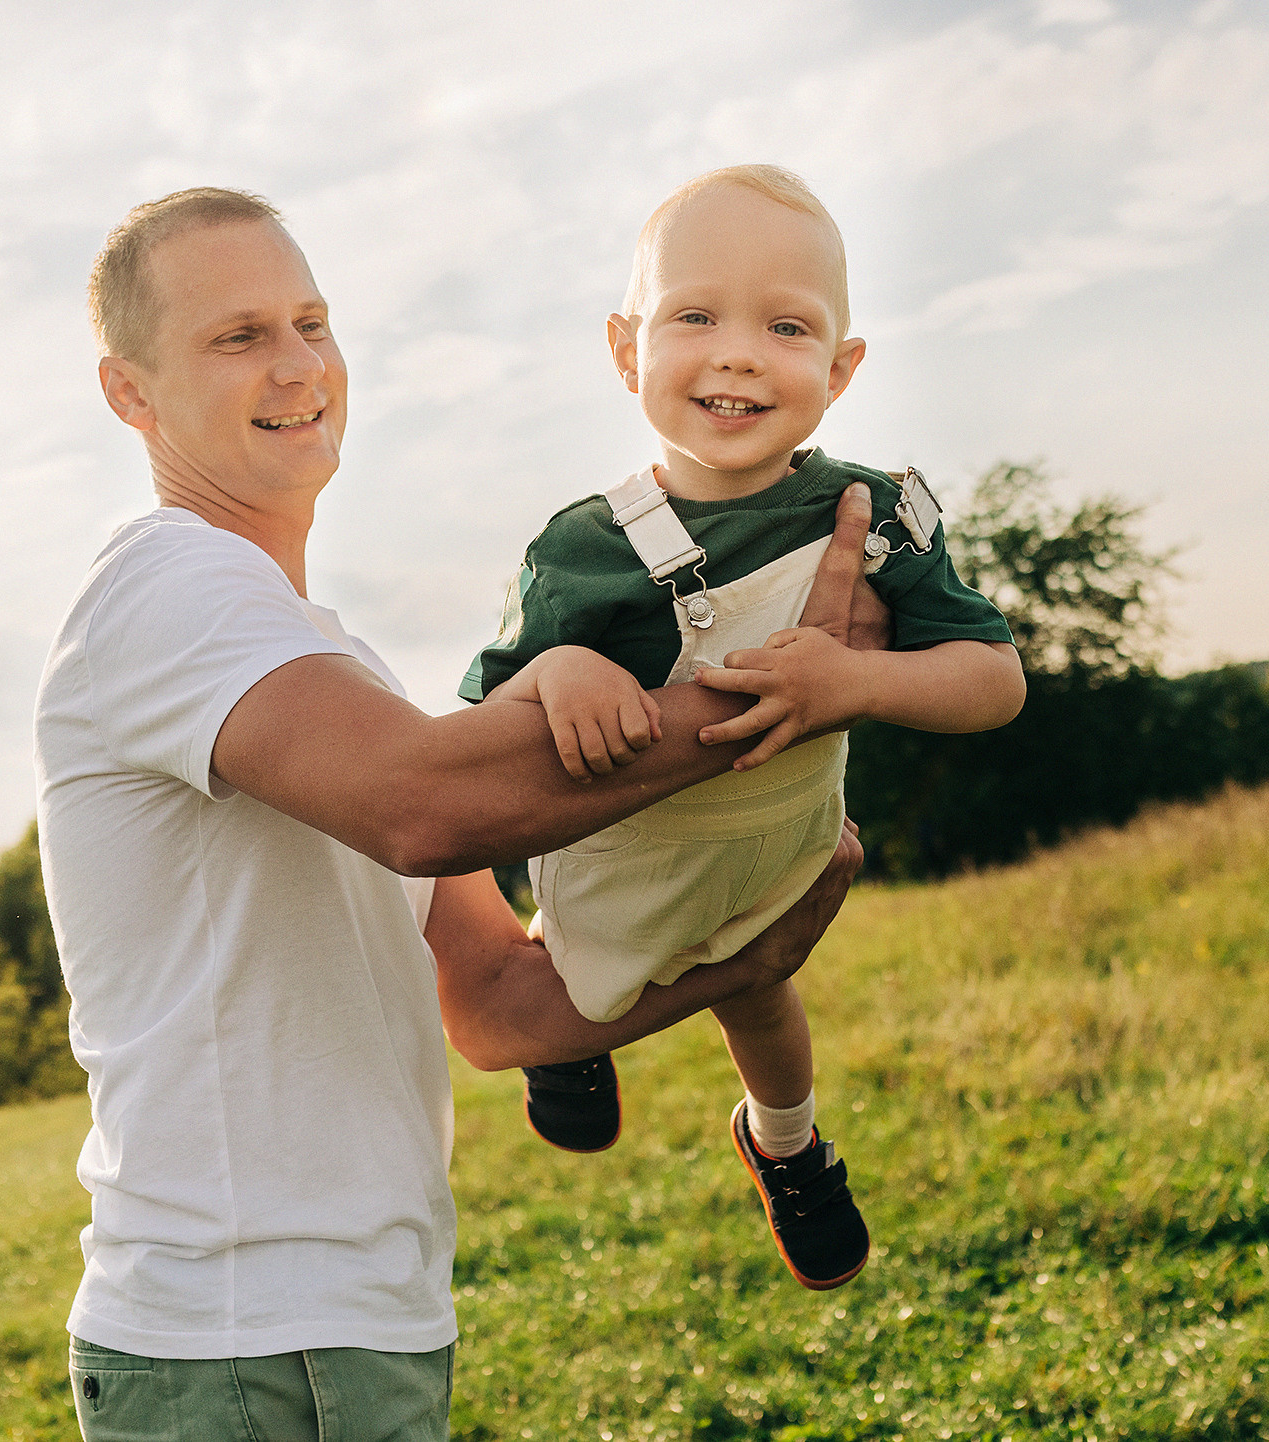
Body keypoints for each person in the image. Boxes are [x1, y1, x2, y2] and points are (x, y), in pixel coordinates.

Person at [36, 186, 886, 1442]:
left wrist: (740, 963)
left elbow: (499, 1007)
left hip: (378, 1320)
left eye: (311, 323)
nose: (296, 366)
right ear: (131, 392)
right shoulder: (163, 581)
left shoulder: (343, 669)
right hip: (224, 1345)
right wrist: (773, 687)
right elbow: (421, 805)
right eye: (237, 336)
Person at [460, 165, 1025, 1291]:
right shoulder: (581, 548)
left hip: (772, 851)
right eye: (693, 315)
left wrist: (856, 685)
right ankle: (564, 1051)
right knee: (575, 975)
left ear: (839, 366)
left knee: (758, 990)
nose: (736, 351)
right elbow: (481, 724)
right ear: (627, 351)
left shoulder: (871, 517)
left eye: (785, 324)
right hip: (620, 860)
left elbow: (992, 679)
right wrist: (564, 669)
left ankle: (788, 1146)